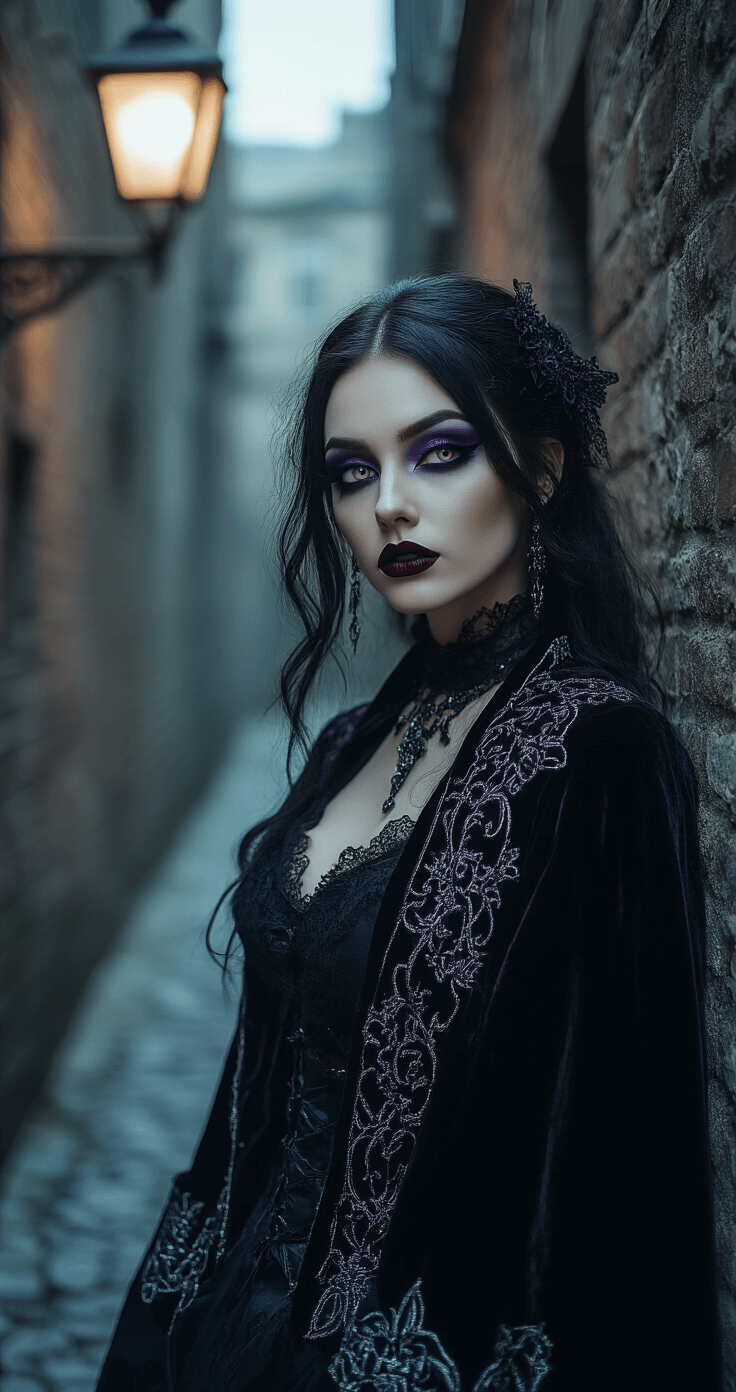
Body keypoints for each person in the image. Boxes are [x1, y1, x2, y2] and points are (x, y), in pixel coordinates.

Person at [97, 276, 722, 1392]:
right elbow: (254, 1089)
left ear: (540, 465)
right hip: (230, 1336)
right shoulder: (345, 744)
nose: (389, 504)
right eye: (352, 472)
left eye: (439, 453)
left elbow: (635, 1164)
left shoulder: (601, 755)